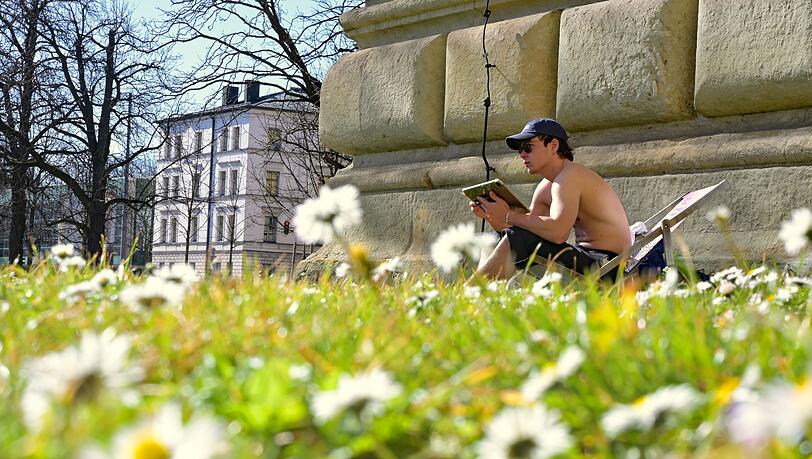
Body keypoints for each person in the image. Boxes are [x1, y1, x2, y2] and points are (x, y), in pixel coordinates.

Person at [471, 118, 631, 279]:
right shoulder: (546, 187)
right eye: (520, 150)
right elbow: (528, 231)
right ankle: (480, 296)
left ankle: (471, 293)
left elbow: (558, 233)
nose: (522, 155)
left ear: (553, 145)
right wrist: (492, 215)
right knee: (496, 240)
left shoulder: (570, 176)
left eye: (528, 147)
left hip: (608, 266)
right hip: (587, 260)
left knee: (518, 238)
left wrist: (508, 215)